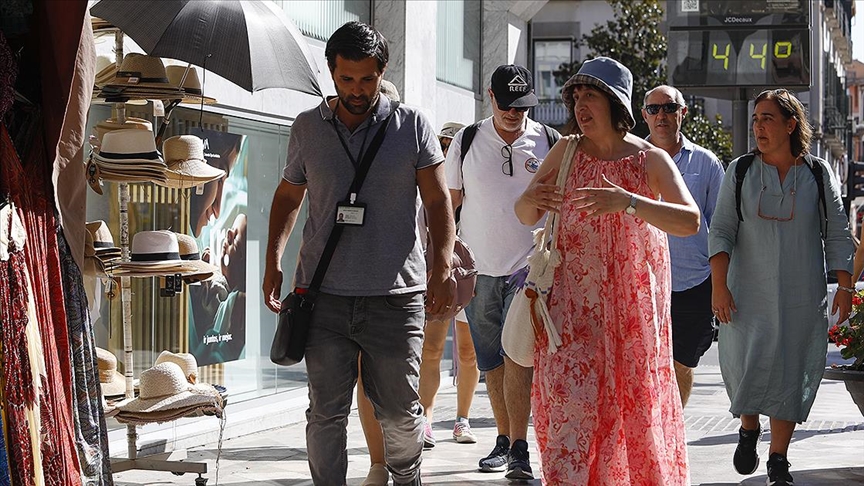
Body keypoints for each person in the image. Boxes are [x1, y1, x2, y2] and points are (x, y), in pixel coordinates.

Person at [262, 21, 455, 486]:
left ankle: (405, 478)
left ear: (382, 72)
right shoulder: (307, 127)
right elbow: (288, 197)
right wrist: (272, 262)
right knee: (325, 414)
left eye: (367, 79)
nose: (356, 89)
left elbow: (438, 201)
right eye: (346, 79)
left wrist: (442, 266)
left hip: (396, 298)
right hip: (322, 297)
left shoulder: (412, 125)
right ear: (332, 72)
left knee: (399, 414)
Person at [515, 56, 698, 484]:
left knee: (634, 416)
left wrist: (629, 202)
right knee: (570, 415)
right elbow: (525, 214)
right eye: (576, 96)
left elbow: (689, 221)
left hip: (632, 322)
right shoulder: (565, 151)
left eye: (591, 96)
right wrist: (530, 198)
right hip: (570, 315)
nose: (580, 105)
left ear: (615, 103)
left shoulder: (650, 160)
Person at [708, 88, 854, 486]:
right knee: (747, 367)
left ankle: (778, 459)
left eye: (768, 118)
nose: (758, 126)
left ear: (791, 125)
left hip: (800, 296)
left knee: (791, 370)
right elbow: (721, 231)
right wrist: (719, 286)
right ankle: (749, 427)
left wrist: (844, 288)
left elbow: (838, 233)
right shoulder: (739, 171)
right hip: (744, 295)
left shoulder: (817, 174)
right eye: (756, 119)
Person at [445, 64, 557, 481]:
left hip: (526, 271)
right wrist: (445, 259)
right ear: (490, 96)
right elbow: (450, 204)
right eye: (507, 104)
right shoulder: (466, 140)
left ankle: (521, 449)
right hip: (477, 271)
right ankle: (506, 440)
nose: (514, 113)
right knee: (491, 361)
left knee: (518, 359)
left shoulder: (548, 141)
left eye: (522, 105)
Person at [642, 85, 725, 407]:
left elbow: (721, 228)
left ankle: (672, 426)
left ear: (683, 112)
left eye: (669, 108)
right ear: (644, 115)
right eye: (654, 109)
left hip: (694, 283)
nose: (661, 115)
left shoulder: (706, 163)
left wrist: (721, 284)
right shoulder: (632, 160)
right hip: (643, 282)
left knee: (681, 364)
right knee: (643, 364)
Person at [418, 121, 480, 449]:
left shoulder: (475, 183)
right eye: (442, 144)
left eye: (451, 146)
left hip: (469, 273)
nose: (445, 151)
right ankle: (425, 420)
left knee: (468, 352)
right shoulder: (427, 178)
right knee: (431, 348)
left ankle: (462, 419)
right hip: (436, 273)